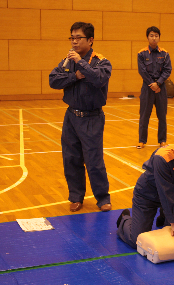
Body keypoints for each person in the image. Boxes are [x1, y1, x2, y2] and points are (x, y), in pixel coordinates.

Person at [49, 22, 111, 213]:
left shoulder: (101, 61)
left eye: (78, 38)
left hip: (92, 117)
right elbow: (53, 80)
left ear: (90, 40)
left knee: (94, 160)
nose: (74, 42)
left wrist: (81, 64)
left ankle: (102, 198)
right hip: (71, 117)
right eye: (72, 38)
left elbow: (98, 79)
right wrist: (74, 76)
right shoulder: (67, 61)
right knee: (71, 158)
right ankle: (76, 197)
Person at [136, 26, 172, 149]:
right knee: (144, 115)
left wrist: (159, 83)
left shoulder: (165, 54)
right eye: (151, 35)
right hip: (147, 87)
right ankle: (142, 140)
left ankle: (162, 140)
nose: (154, 38)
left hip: (161, 88)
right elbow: (142, 71)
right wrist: (152, 84)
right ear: (147, 37)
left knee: (162, 115)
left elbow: (168, 70)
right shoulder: (141, 54)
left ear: (159, 38)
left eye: (156, 36)